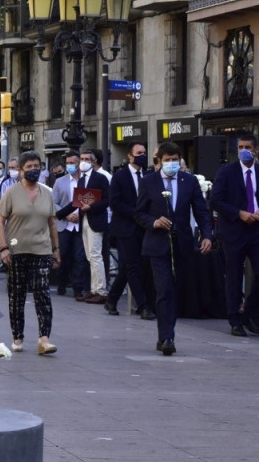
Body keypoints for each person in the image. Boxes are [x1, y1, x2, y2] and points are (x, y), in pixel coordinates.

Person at [135, 142, 213, 356]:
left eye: (175, 160)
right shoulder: (149, 182)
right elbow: (139, 213)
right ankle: (167, 336)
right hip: (157, 243)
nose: (171, 164)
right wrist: (154, 222)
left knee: (176, 289)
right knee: (164, 289)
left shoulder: (188, 181)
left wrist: (206, 235)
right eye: (167, 160)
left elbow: (201, 211)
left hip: (183, 243)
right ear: (159, 161)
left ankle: (167, 332)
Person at [0, 150, 60, 355]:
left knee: (42, 294)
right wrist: (4, 247)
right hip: (16, 248)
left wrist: (56, 250)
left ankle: (44, 338)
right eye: (29, 167)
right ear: (21, 170)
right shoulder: (11, 193)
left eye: (36, 166)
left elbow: (52, 223)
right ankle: (18, 337)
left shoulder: (46, 193)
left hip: (42, 249)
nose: (33, 170)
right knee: (17, 295)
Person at [211, 133, 259, 337]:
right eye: (240, 147)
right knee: (233, 275)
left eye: (247, 147)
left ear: (256, 150)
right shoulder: (227, 172)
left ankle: (249, 312)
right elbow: (216, 201)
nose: (243, 151)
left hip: (256, 230)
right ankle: (234, 319)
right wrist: (239, 213)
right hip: (234, 231)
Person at [105, 141, 154, 319]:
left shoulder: (147, 176)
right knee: (133, 266)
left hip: (143, 228)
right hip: (125, 229)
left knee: (127, 267)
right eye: (139, 152)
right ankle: (143, 306)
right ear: (130, 156)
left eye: (144, 152)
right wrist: (136, 214)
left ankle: (112, 299)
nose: (142, 155)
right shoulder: (120, 177)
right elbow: (115, 203)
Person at [75, 148, 111, 304]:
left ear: (93, 161)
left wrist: (92, 207)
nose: (83, 162)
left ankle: (101, 290)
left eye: (86, 159)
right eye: (81, 159)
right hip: (84, 220)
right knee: (90, 256)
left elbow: (108, 199)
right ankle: (94, 289)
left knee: (96, 256)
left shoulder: (101, 178)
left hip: (96, 220)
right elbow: (77, 200)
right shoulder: (81, 180)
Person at [52, 152, 88, 298]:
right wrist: (66, 214)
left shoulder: (85, 181)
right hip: (64, 225)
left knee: (79, 257)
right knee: (64, 255)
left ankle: (78, 288)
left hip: (81, 224)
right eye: (68, 163)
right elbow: (54, 202)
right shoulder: (60, 182)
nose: (70, 166)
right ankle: (61, 283)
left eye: (73, 163)